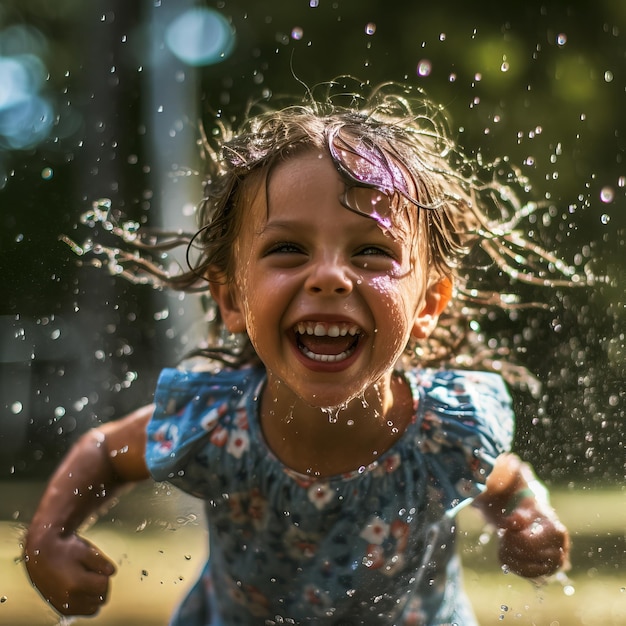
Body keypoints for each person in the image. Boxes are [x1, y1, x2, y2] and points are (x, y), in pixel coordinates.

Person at [24, 81, 571, 625]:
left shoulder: (445, 431)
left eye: (371, 251)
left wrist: (529, 518)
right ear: (232, 298)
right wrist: (47, 538)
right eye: (288, 248)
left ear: (429, 302)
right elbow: (104, 452)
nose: (330, 276)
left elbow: (501, 481)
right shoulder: (215, 425)